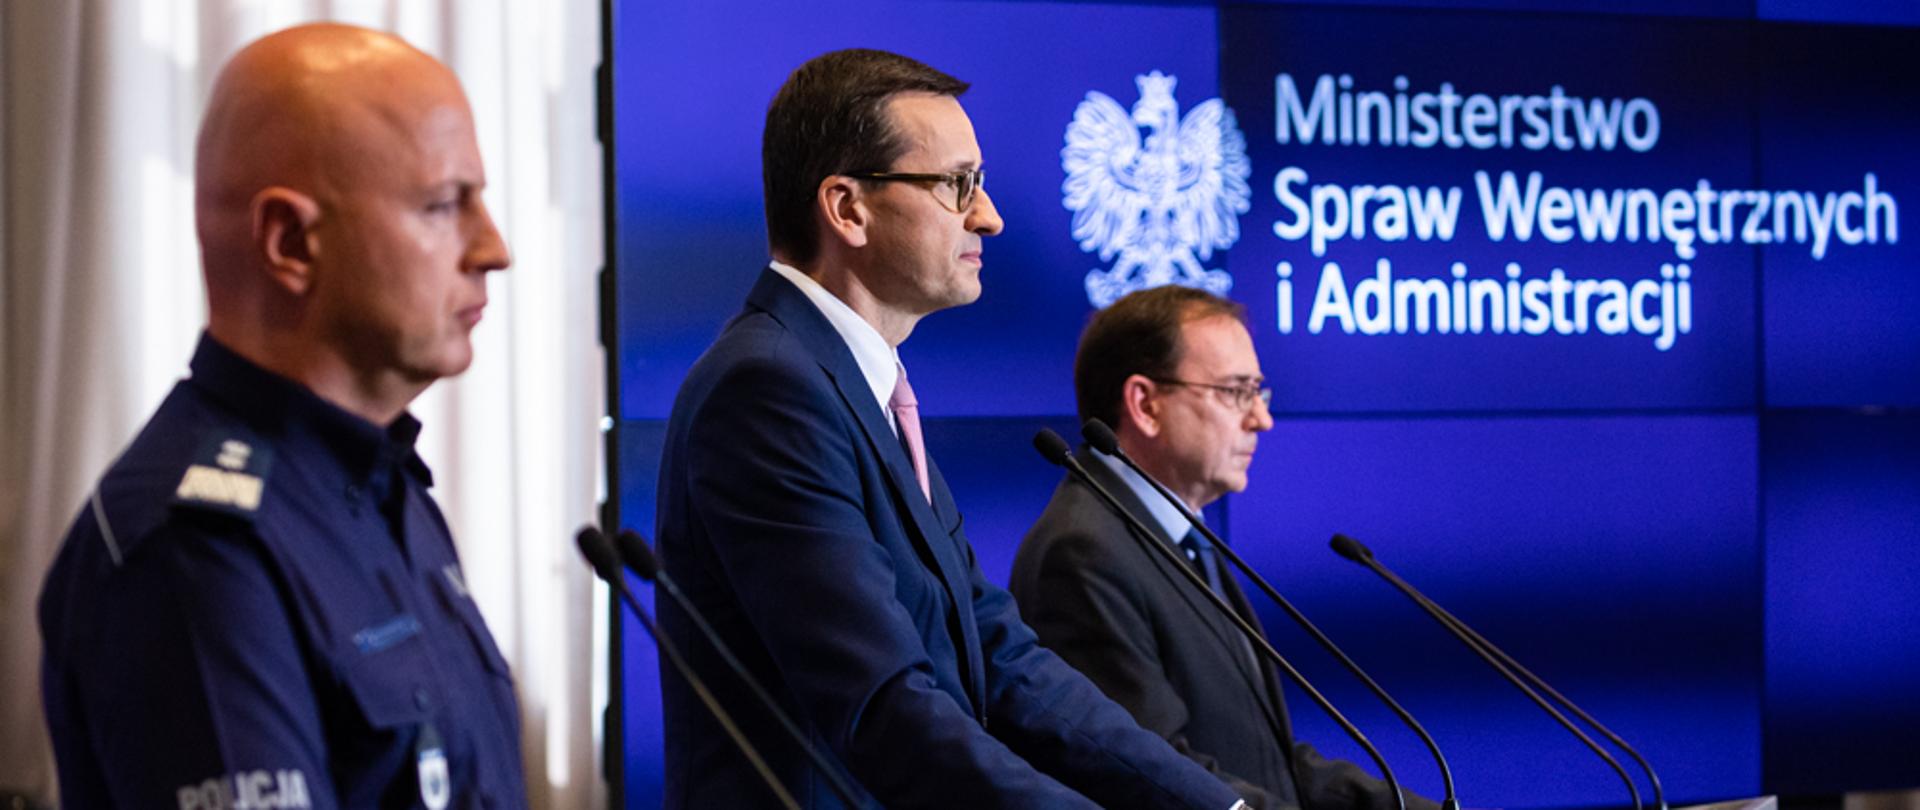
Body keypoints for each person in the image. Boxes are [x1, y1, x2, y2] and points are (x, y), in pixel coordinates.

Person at [654, 49, 1248, 809]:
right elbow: (886, 710)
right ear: (847, 208)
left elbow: (1003, 658)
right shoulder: (769, 391)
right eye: (956, 185)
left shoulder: (855, 385)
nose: (989, 215)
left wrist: (1221, 807)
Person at [38, 23, 525, 809]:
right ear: (291, 242)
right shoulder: (198, 551)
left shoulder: (384, 487)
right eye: (444, 204)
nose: (494, 248)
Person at [1009, 285, 1437, 810]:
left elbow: (1268, 761)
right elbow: (1155, 772)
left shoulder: (1184, 539)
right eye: (1236, 392)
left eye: (1260, 392)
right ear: (1146, 404)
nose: (1261, 418)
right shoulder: (1083, 552)